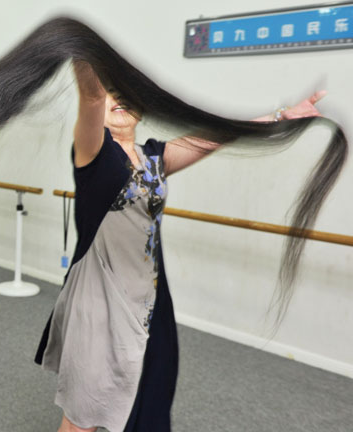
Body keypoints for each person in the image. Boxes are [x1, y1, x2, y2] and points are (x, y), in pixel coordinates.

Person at [33, 61, 326, 432]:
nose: (117, 98)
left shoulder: (154, 158)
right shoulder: (93, 155)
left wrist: (284, 115)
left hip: (151, 305)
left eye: (125, 93)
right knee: (83, 418)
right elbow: (90, 96)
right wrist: (85, 55)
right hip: (100, 304)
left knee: (147, 401)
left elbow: (217, 136)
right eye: (110, 92)